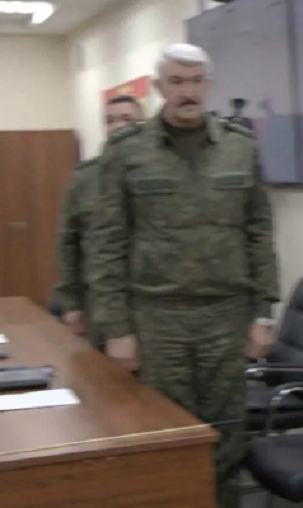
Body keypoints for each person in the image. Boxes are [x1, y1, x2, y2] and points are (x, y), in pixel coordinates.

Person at [88, 43, 279, 508]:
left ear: (208, 85)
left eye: (195, 82)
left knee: (226, 437)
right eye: (176, 82)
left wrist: (263, 314)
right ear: (159, 88)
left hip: (225, 318)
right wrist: (117, 329)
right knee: (165, 436)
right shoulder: (127, 151)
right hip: (158, 319)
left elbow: (259, 232)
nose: (187, 92)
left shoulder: (240, 147)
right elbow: (106, 242)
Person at [54, 95, 144, 345]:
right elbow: (68, 243)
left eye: (127, 119)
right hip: (100, 303)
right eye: (110, 120)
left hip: (153, 304)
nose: (118, 126)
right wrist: (71, 303)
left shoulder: (161, 175)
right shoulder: (85, 178)